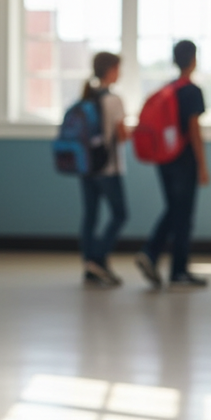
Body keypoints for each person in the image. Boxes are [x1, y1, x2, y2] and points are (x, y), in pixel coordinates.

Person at [135, 39, 211, 289]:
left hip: (164, 159)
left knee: (173, 209)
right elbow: (194, 130)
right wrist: (202, 165)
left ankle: (153, 255)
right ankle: (176, 270)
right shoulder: (191, 91)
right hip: (184, 160)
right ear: (193, 59)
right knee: (184, 215)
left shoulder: (168, 89)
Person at [79, 52, 128, 287]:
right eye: (118, 68)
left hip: (87, 167)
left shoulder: (87, 97)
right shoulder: (114, 100)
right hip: (109, 168)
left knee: (91, 216)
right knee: (120, 214)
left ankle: (90, 265)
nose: (120, 73)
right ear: (110, 70)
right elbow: (122, 135)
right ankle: (98, 260)